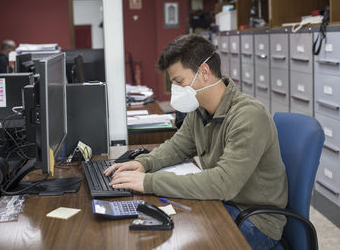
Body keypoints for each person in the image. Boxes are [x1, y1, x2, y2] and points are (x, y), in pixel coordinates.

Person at [104, 34, 288, 249]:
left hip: (255, 221)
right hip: (223, 203)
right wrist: (145, 163)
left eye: (179, 82)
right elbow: (177, 146)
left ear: (204, 72)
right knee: (163, 228)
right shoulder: (200, 109)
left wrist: (149, 182)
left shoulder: (248, 116)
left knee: (179, 241)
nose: (176, 91)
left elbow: (223, 183)